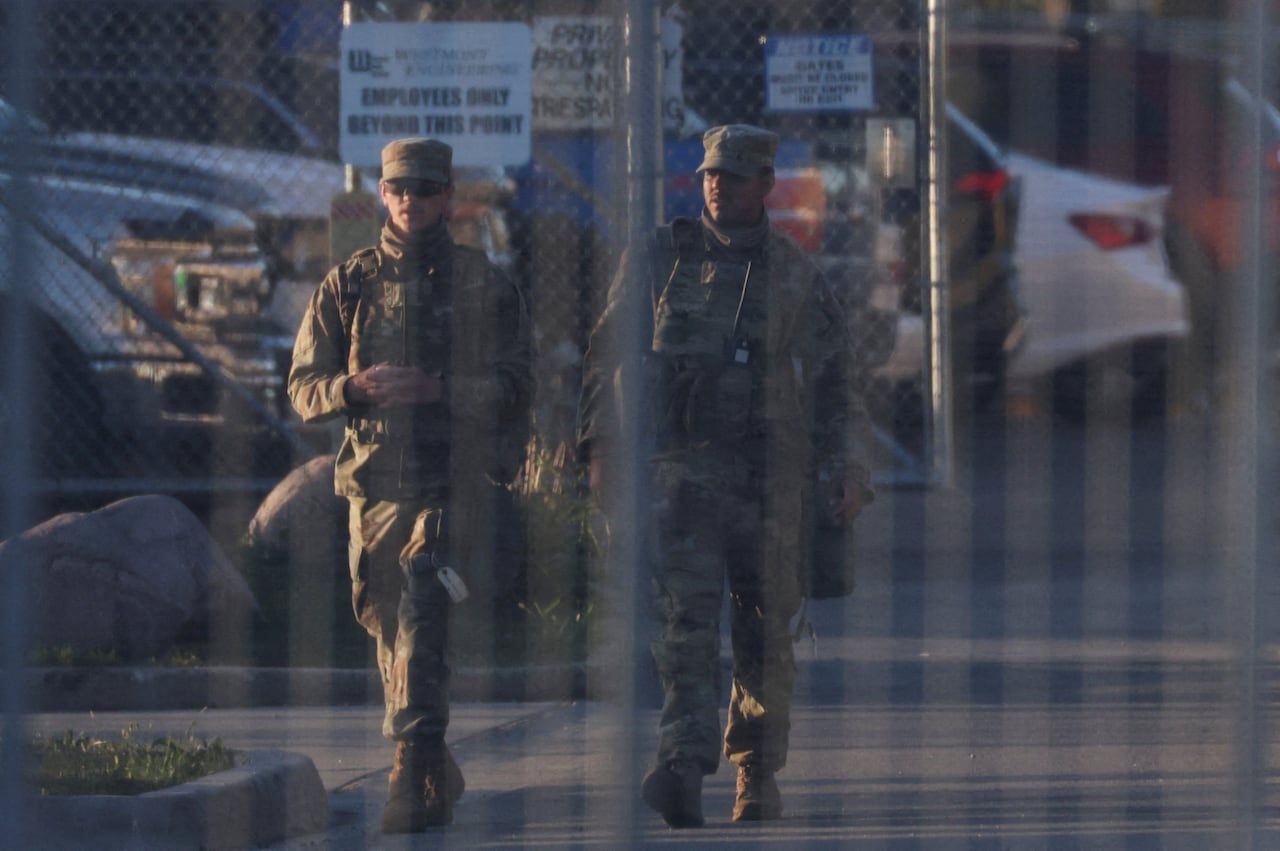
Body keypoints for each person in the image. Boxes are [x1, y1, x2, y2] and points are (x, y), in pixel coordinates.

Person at [578, 124, 874, 827]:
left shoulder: (792, 271)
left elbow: (837, 379)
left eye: (736, 175)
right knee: (682, 628)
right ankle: (681, 763)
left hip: (769, 481)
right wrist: (599, 448)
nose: (719, 184)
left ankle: (757, 770)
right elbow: (605, 354)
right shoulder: (659, 257)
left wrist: (848, 464)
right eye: (712, 172)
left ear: (766, 183)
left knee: (764, 634)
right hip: (680, 478)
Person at [288, 138, 530, 833]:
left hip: (451, 481)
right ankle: (434, 758)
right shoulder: (349, 283)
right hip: (374, 487)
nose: (410, 201)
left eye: (425, 190)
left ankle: (409, 765)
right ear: (383, 196)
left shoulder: (484, 282)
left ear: (449, 198)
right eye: (399, 189)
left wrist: (442, 389)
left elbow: (519, 384)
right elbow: (304, 388)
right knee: (387, 622)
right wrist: (351, 387)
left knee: (424, 610)